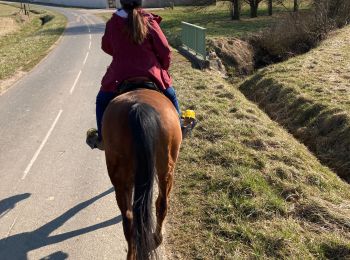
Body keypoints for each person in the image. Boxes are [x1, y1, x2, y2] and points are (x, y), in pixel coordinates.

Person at [86, 0, 181, 150]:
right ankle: (179, 127)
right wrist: (163, 69)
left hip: (120, 75)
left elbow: (106, 46)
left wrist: (121, 54)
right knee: (171, 95)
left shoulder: (113, 23)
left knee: (102, 100)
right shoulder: (149, 20)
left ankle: (103, 139)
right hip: (151, 74)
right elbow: (165, 50)